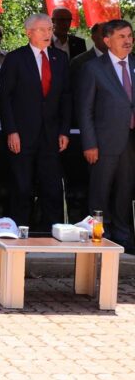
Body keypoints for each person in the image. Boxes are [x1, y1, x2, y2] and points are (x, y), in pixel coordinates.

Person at [0, 14, 70, 230]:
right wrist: (11, 130)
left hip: (51, 134)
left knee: (52, 187)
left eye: (50, 29)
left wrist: (64, 130)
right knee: (21, 186)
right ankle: (19, 232)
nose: (48, 33)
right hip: (22, 134)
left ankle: (51, 232)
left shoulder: (60, 58)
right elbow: (5, 98)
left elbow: (66, 96)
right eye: (42, 29)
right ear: (29, 33)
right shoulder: (15, 58)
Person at [76, 19, 135, 250]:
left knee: (125, 190)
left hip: (130, 141)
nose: (128, 41)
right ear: (107, 40)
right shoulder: (93, 68)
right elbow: (85, 110)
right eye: (121, 36)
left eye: (129, 36)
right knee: (100, 191)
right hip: (103, 142)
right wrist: (89, 143)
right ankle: (100, 235)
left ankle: (123, 235)